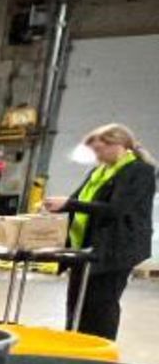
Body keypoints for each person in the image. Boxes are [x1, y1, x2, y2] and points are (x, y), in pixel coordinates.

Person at [44, 123, 156, 341]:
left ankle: (99, 351)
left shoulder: (140, 172)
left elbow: (118, 209)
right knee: (77, 304)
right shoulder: (98, 172)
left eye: (99, 149)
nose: (97, 155)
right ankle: (74, 344)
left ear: (119, 145)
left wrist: (70, 204)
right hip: (85, 249)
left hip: (116, 249)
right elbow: (77, 200)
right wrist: (56, 205)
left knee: (101, 305)